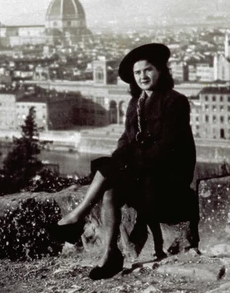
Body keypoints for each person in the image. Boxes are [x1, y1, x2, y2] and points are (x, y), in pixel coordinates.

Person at [49, 43, 197, 280]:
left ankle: (77, 217)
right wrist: (121, 161)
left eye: (147, 70)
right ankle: (109, 254)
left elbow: (168, 149)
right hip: (146, 175)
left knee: (112, 171)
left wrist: (125, 164)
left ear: (160, 70)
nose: (143, 77)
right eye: (138, 73)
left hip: (168, 179)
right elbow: (125, 140)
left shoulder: (175, 101)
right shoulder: (135, 103)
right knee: (111, 189)